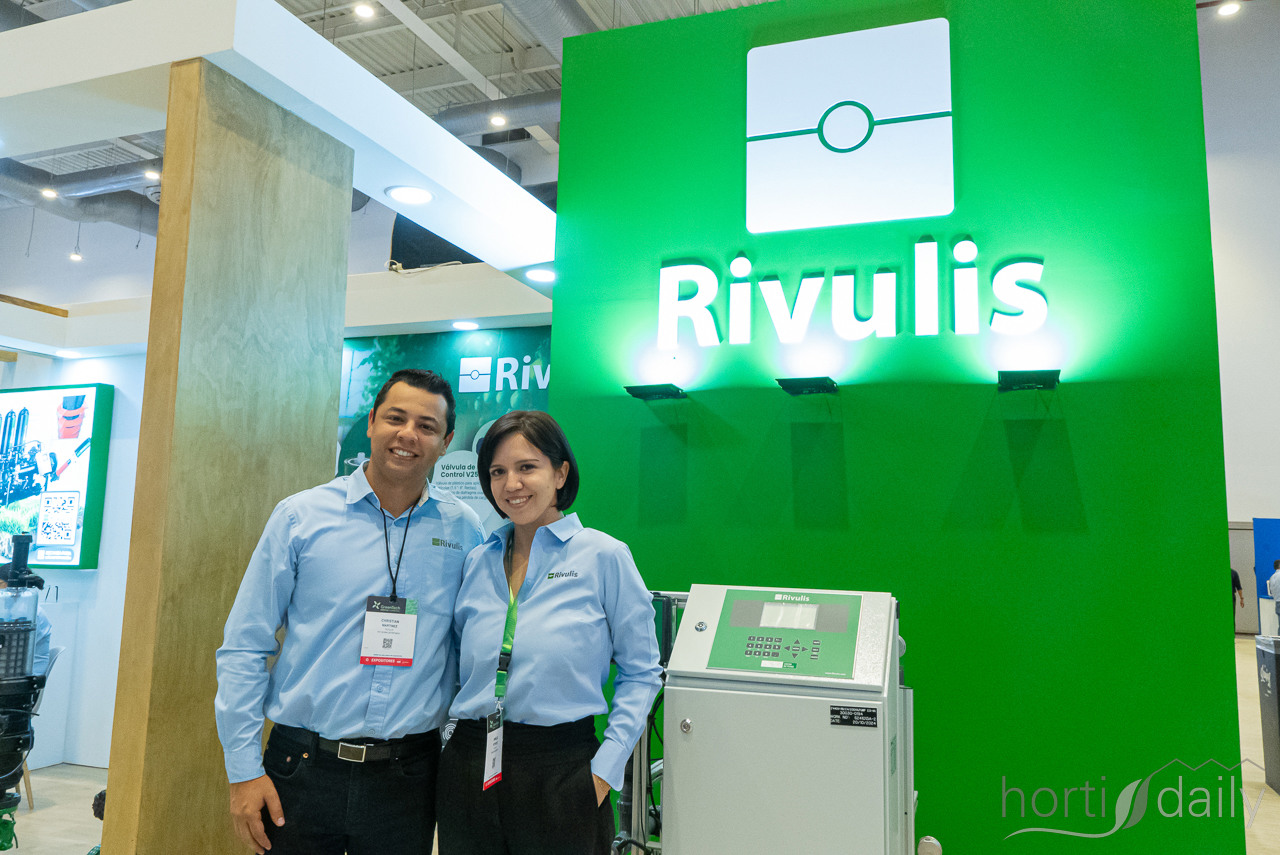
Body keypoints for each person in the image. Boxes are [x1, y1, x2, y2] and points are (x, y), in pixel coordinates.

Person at [214, 369, 483, 855]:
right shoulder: (300, 517)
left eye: (427, 426)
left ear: (445, 443)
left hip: (408, 778)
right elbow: (244, 646)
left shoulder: (464, 530)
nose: (408, 435)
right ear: (372, 422)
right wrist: (243, 771)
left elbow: (471, 648)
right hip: (301, 767)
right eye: (396, 418)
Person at [437, 410, 662, 855]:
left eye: (527, 467)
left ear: (560, 473)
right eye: (497, 472)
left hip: (560, 771)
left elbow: (642, 672)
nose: (511, 484)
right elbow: (456, 666)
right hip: (469, 764)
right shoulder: (478, 560)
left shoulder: (603, 556)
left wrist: (603, 772)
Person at [0, 566, 51, 676]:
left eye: (0, 584)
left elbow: (8, 647)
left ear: (12, 586)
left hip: (25, 676)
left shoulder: (27, 611)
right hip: (14, 671)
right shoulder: (15, 609)